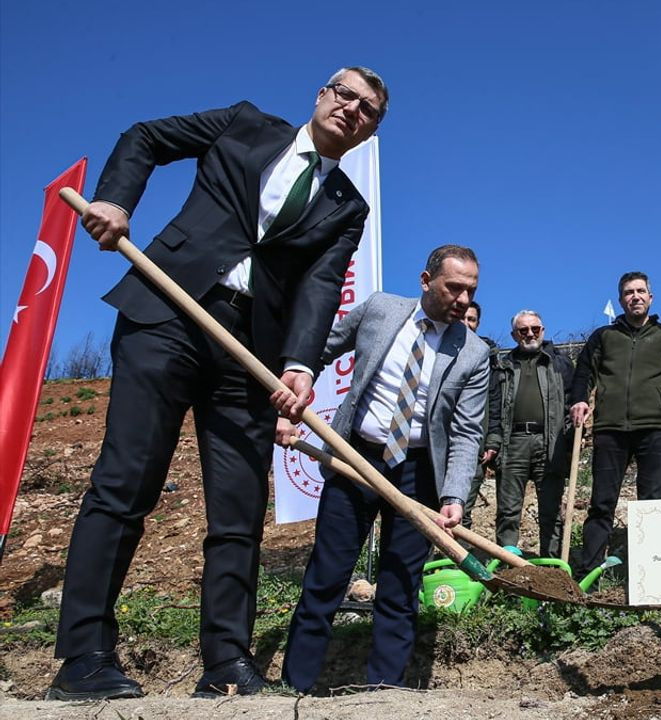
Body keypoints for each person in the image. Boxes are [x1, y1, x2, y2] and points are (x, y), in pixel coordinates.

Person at [50, 67, 388, 700]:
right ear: (320, 95)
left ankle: (227, 664)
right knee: (125, 484)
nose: (352, 109)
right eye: (344, 95)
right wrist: (118, 200)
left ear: (370, 131)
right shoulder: (244, 124)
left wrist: (300, 364)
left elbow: (319, 287)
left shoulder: (349, 207)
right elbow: (145, 137)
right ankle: (83, 658)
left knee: (239, 512)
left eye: (368, 110)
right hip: (167, 315)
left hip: (248, 354)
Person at [276, 245, 489, 694]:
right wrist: (298, 383)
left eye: (471, 291)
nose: (463, 300)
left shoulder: (473, 353)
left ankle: (385, 690)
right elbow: (320, 348)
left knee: (400, 582)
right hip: (356, 459)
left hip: (418, 474)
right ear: (426, 280)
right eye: (454, 287)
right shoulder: (379, 309)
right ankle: (295, 686)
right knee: (327, 575)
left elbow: (467, 433)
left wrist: (454, 497)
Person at [568, 271, 661, 577]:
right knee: (602, 500)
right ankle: (590, 570)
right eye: (628, 292)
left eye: (640, 291)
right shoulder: (604, 336)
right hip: (611, 428)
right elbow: (584, 371)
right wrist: (580, 399)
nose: (635, 296)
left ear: (650, 298)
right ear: (622, 299)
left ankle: (652, 571)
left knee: (653, 501)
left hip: (656, 427)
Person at [484, 310, 574, 556]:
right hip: (513, 442)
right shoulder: (503, 366)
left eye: (535, 329)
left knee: (551, 509)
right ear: (514, 334)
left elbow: (571, 401)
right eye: (523, 330)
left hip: (550, 441)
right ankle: (508, 564)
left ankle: (552, 566)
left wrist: (569, 440)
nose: (530, 334)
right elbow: (494, 407)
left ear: (543, 330)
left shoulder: (560, 362)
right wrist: (493, 440)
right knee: (508, 509)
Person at [460, 301, 498, 535]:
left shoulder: (488, 360)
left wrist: (492, 440)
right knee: (425, 509)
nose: (466, 323)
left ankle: (455, 567)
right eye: (462, 317)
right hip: (434, 448)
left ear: (478, 324)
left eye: (471, 319)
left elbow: (495, 403)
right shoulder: (434, 350)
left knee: (461, 511)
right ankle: (423, 568)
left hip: (472, 449)